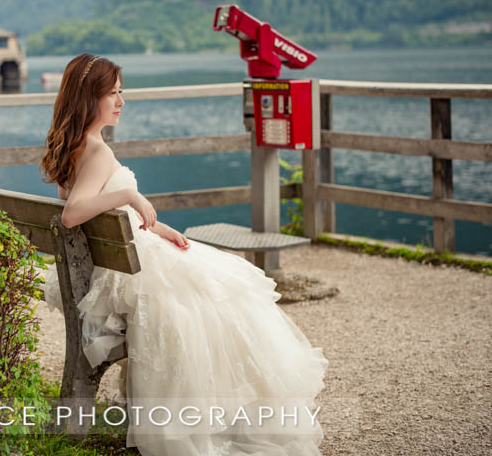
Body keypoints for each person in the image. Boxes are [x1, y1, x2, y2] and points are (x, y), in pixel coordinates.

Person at [39, 53, 329, 456]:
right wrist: (130, 193)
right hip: (125, 270)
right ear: (90, 97)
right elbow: (74, 215)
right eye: (113, 94)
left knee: (221, 281)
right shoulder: (97, 150)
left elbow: (101, 214)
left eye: (122, 93)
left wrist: (157, 227)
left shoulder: (75, 146)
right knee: (225, 297)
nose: (122, 102)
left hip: (116, 258)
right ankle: (232, 416)